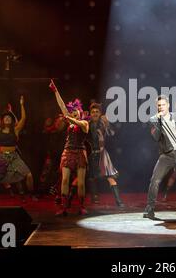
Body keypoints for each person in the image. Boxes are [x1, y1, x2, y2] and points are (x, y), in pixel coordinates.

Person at [49, 79, 89, 216]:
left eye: (76, 112)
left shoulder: (84, 123)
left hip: (80, 153)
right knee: (65, 179)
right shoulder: (70, 122)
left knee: (81, 183)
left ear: (80, 113)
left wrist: (68, 116)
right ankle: (64, 207)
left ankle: (82, 206)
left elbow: (74, 120)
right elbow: (61, 105)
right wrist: (55, 91)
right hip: (68, 152)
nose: (74, 113)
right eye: (73, 112)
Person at [0, 96, 35, 206]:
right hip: (2, 157)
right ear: (2, 121)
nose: (7, 118)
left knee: (29, 175)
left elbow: (23, 118)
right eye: (5, 118)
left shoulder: (16, 130)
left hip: (14, 156)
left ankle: (31, 194)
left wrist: (22, 104)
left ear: (12, 120)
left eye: (9, 117)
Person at [86, 102, 125, 207]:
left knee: (110, 177)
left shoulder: (103, 123)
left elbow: (113, 134)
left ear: (100, 113)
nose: (95, 113)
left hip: (102, 154)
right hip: (91, 154)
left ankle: (118, 201)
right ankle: (95, 199)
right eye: (93, 112)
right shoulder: (87, 124)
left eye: (97, 112)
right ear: (90, 113)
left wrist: (107, 123)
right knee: (91, 177)